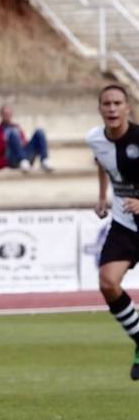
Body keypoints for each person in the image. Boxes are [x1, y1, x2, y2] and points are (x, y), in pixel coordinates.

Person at [87, 83, 139, 381]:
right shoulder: (95, 139)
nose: (112, 108)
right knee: (108, 283)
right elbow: (102, 161)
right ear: (100, 109)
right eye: (106, 104)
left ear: (127, 108)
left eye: (117, 103)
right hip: (124, 224)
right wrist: (102, 195)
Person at [0, 104, 53, 173]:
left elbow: (24, 143)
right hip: (10, 160)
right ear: (1, 115)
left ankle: (45, 160)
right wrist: (4, 141)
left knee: (39, 132)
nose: (7, 116)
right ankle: (22, 160)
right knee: (13, 133)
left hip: (25, 159)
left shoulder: (17, 128)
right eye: (5, 114)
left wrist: (21, 144)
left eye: (9, 114)